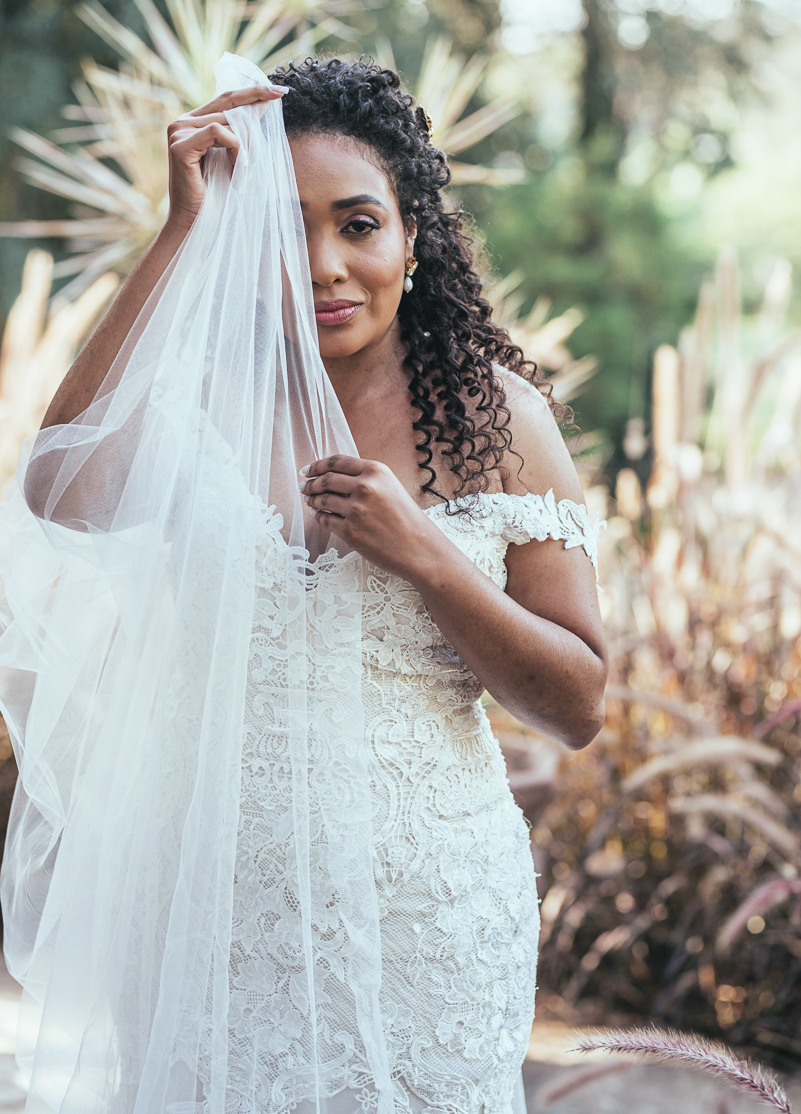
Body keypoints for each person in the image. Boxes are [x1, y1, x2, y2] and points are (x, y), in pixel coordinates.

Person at [0, 55, 607, 1114]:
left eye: (358, 224)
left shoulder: (500, 424)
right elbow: (57, 483)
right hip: (207, 921)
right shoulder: (200, 396)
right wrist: (181, 229)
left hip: (424, 927)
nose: (323, 264)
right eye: (283, 227)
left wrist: (425, 555)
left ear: (412, 238)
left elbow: (577, 702)